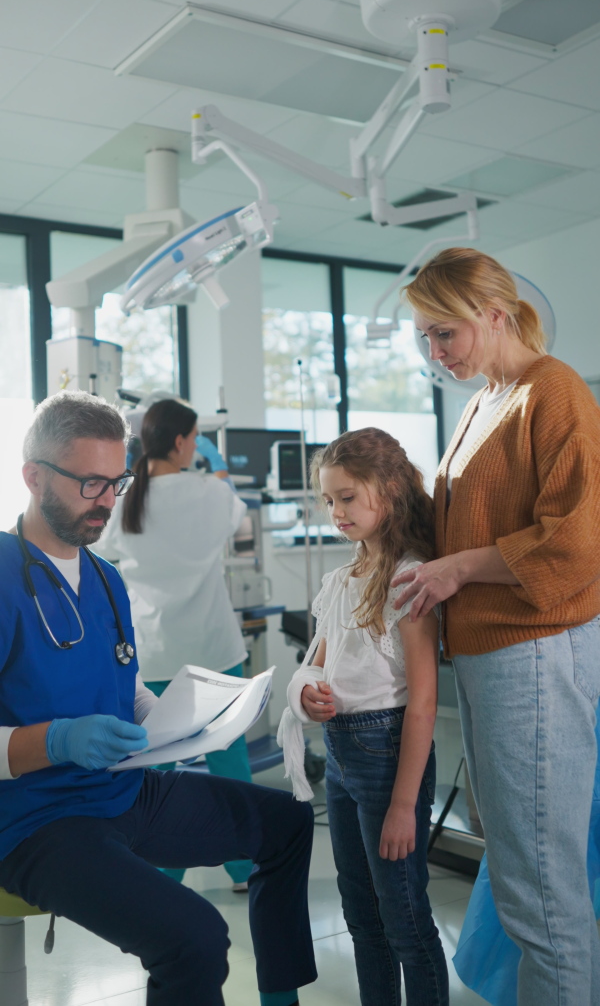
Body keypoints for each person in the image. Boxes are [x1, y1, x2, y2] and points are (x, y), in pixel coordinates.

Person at [0, 389, 317, 1006]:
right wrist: (57, 739)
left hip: (123, 791)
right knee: (195, 937)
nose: (108, 502)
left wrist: (177, 720)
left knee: (287, 823)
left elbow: (125, 682)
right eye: (90, 484)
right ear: (33, 476)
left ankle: (282, 998)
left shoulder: (106, 578)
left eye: (116, 482)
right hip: (38, 821)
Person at [392, 247, 600, 1006]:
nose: (434, 352)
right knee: (521, 876)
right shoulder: (486, 400)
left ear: (494, 313)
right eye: (423, 338)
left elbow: (577, 538)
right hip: (489, 658)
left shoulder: (553, 390)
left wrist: (456, 569)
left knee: (543, 892)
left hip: (533, 654)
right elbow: (461, 519)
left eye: (444, 333)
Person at [278, 427, 449, 1006]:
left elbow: (423, 701)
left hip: (387, 757)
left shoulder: (409, 577)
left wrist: (405, 806)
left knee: (403, 920)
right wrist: (306, 695)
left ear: (390, 490)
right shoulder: (340, 579)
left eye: (347, 497)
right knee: (362, 918)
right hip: (343, 755)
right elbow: (314, 664)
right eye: (328, 500)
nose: (335, 511)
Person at [97, 398, 253, 888]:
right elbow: (237, 515)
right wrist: (220, 469)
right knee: (230, 757)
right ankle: (244, 866)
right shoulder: (211, 492)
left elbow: (100, 554)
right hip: (215, 648)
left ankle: (167, 871)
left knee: (165, 767)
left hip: (156, 649)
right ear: (185, 442)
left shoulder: (124, 500)